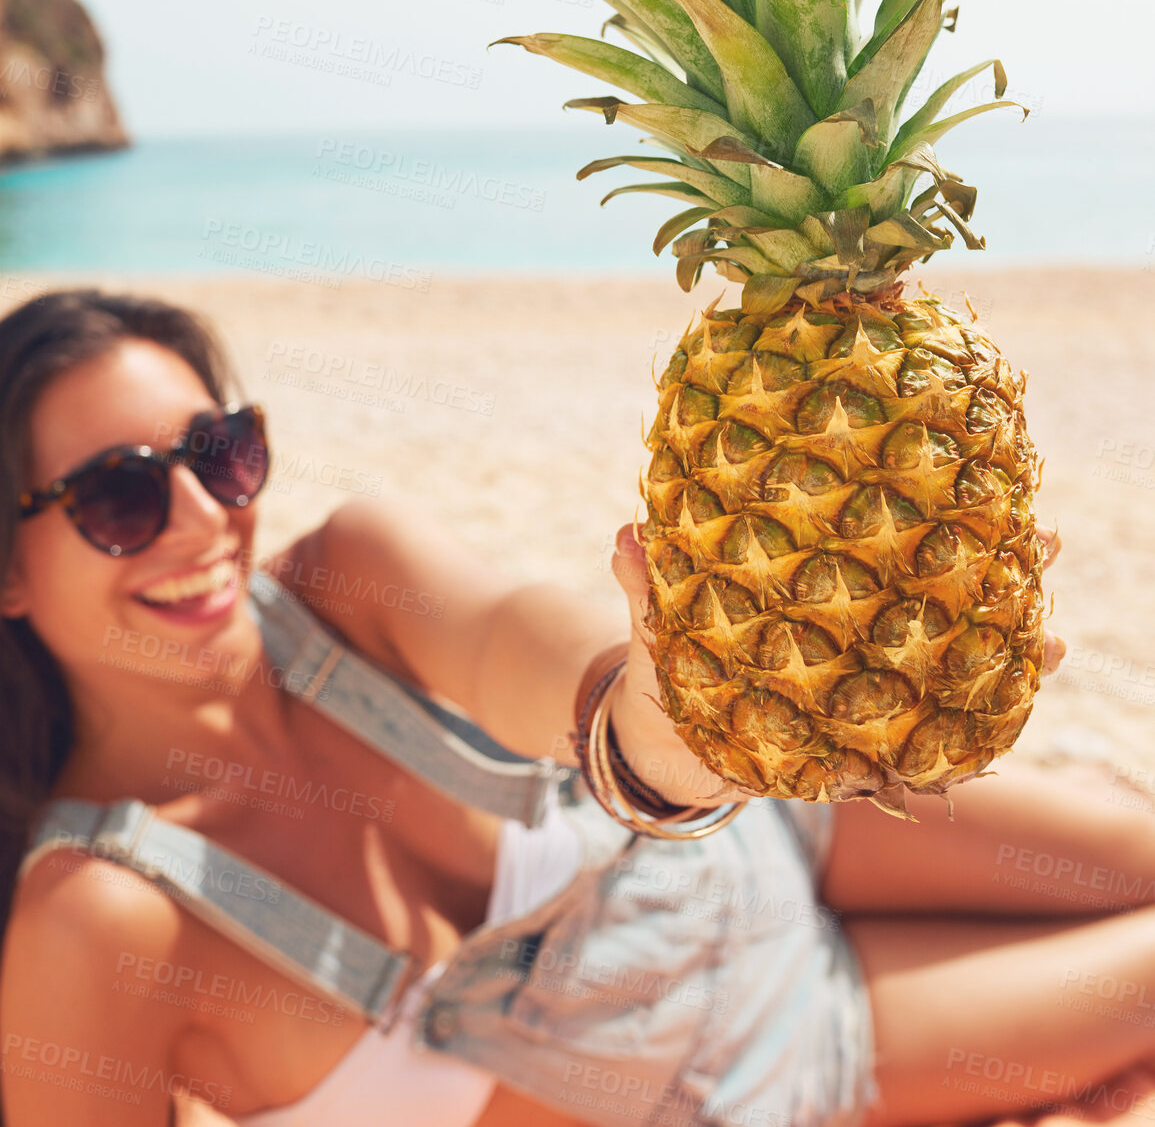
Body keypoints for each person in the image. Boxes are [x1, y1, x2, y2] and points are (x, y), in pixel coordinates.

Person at [1, 287, 1154, 1127]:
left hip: (774, 813)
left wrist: (659, 725)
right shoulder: (99, 924)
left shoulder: (351, 575)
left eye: (221, 453)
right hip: (783, 1059)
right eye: (121, 496)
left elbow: (514, 636)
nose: (205, 518)